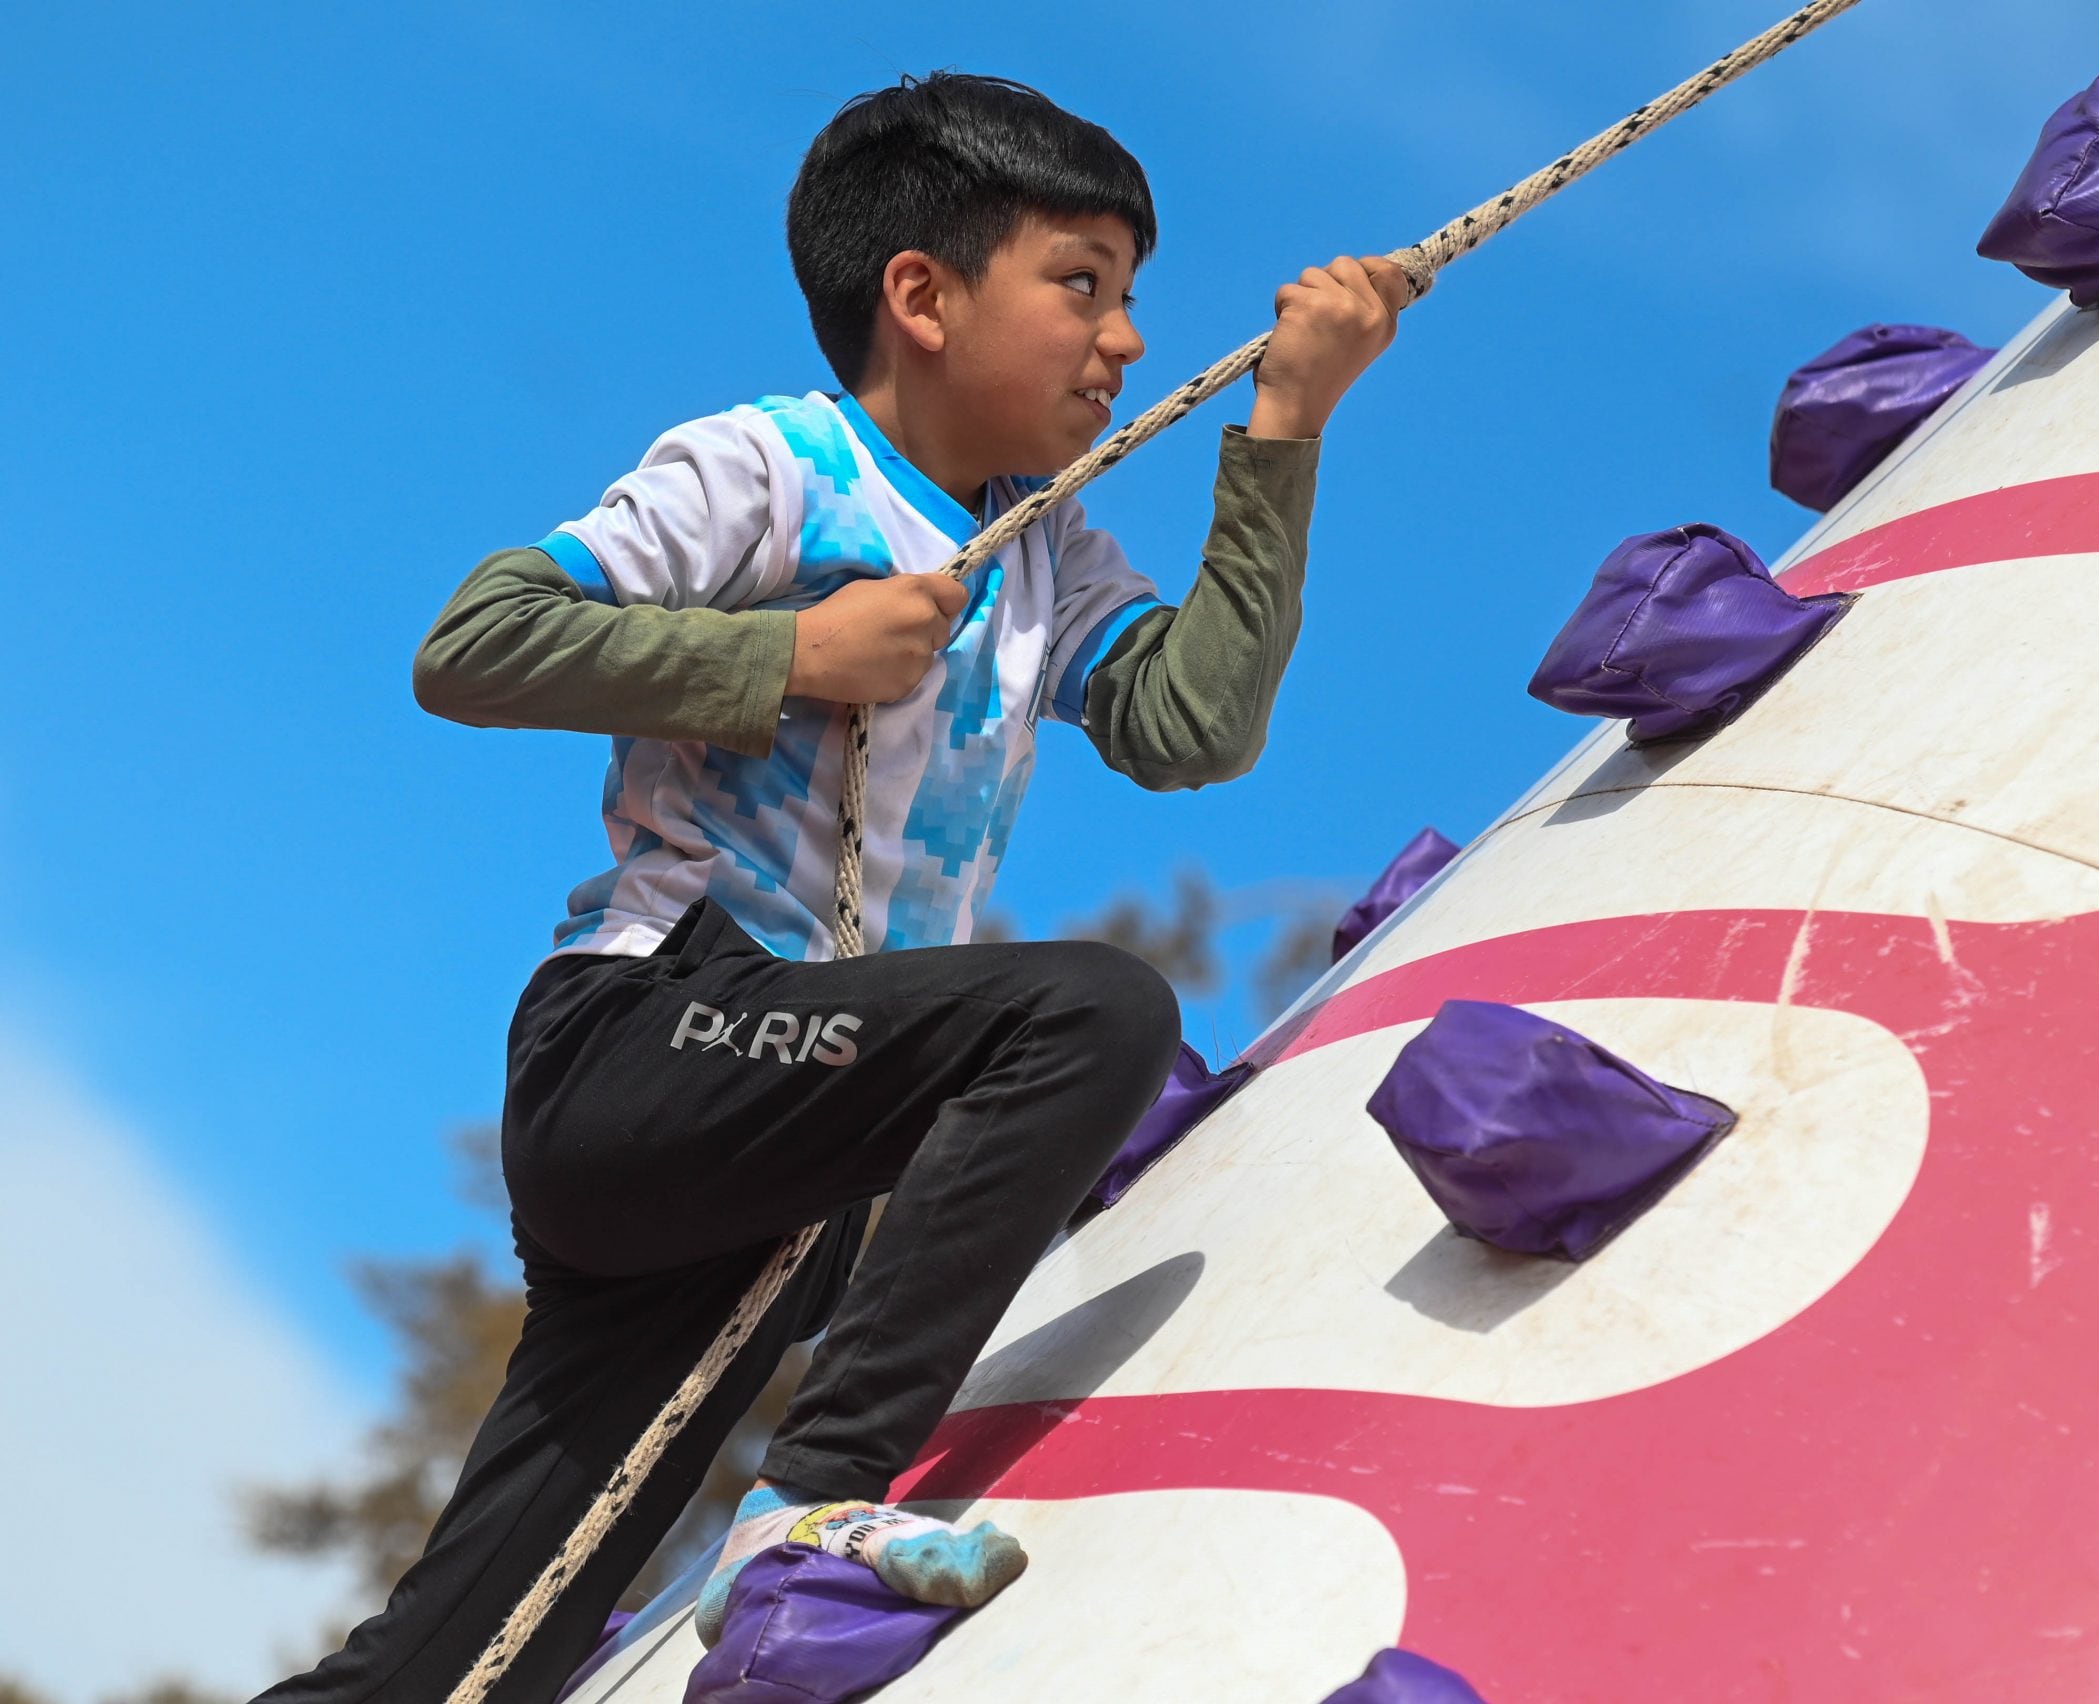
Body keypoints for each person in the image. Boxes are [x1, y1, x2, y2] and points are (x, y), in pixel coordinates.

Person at [256, 70, 1405, 1703]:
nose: (1129, 339)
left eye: (1131, 297)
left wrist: (1285, 431)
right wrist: (789, 651)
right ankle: (807, 1505)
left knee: (466, 1663)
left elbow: (1186, 722)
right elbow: (476, 641)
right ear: (921, 297)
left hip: (787, 1162)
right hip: (654, 1034)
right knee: (1088, 1018)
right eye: (1081, 283)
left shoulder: (1045, 545)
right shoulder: (771, 468)